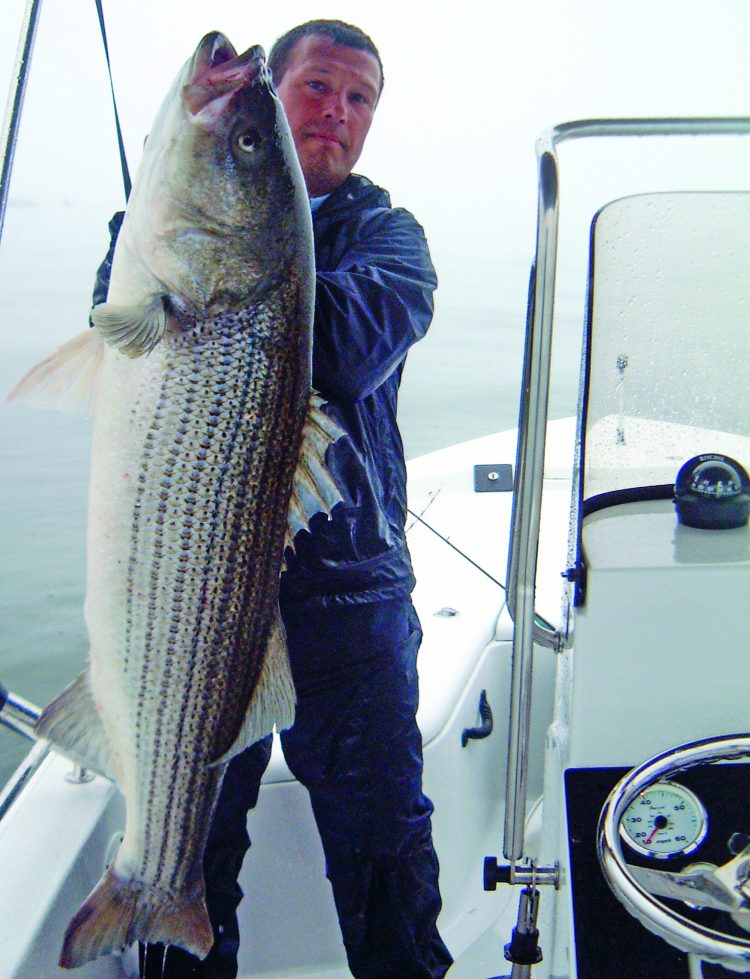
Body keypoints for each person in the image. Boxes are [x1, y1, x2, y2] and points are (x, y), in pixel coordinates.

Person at [95, 19, 452, 979]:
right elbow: (115, 332)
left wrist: (219, 259)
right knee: (197, 856)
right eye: (317, 87)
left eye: (359, 97)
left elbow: (339, 343)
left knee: (387, 860)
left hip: (349, 611)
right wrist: (165, 226)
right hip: (196, 601)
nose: (337, 112)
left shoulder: (393, 240)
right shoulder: (168, 238)